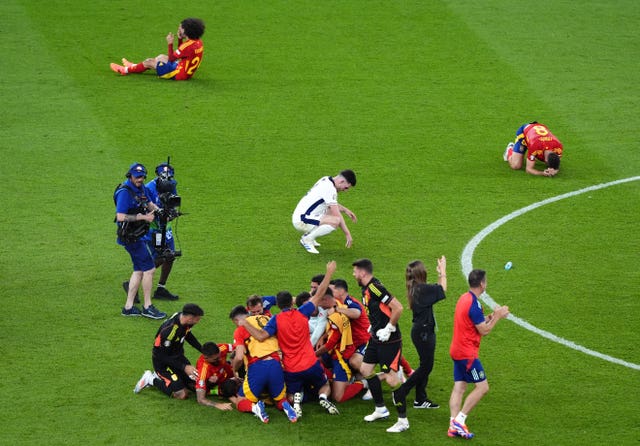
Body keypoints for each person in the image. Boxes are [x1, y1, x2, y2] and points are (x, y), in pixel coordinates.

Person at [240, 262, 340, 418]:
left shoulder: (275, 321)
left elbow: (260, 337)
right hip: (311, 362)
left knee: (288, 395)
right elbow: (319, 294)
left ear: (278, 305)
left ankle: (296, 400)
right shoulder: (303, 312)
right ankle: (323, 397)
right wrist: (329, 272)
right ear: (292, 302)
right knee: (325, 384)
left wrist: (245, 323)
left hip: (291, 368)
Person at [447, 269, 510, 439]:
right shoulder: (474, 304)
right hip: (467, 354)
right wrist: (498, 316)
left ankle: (452, 425)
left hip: (456, 350)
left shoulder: (464, 298)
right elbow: (484, 330)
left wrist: (491, 315)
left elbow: (476, 321)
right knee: (482, 387)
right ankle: (460, 420)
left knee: (459, 387)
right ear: (482, 284)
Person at [352, 258, 408, 433]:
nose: (353, 274)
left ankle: (403, 420)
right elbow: (378, 310)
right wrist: (374, 325)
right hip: (375, 338)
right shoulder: (365, 288)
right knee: (366, 370)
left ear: (363, 272)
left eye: (355, 271)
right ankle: (380, 409)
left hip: (389, 341)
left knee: (392, 380)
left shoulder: (375, 287)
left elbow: (398, 308)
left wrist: (389, 328)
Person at [392, 257, 447, 411]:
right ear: (421, 273)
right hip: (424, 333)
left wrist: (439, 275)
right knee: (426, 367)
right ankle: (402, 391)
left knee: (425, 365)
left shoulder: (417, 288)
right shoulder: (422, 289)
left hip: (421, 331)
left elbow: (436, 289)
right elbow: (442, 290)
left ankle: (420, 399)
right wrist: (443, 271)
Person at [229, 305, 298, 423]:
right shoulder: (267, 319)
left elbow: (239, 356)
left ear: (237, 320)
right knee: (280, 398)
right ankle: (288, 407)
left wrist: (234, 369)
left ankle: (255, 408)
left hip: (257, 366)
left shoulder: (240, 329)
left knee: (240, 401)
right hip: (276, 364)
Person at [114, 163, 166, 319]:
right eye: (137, 177)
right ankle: (147, 306)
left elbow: (148, 203)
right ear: (130, 176)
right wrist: (144, 217)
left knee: (138, 270)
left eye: (142, 176)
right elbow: (120, 217)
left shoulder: (141, 188)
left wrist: (160, 211)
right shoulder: (125, 192)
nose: (140, 179)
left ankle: (128, 307)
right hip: (131, 237)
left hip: (138, 235)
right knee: (149, 269)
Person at [133, 303, 209, 400]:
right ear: (190, 318)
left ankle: (177, 380)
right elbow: (162, 356)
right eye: (197, 319)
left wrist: (202, 350)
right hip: (163, 363)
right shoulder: (169, 332)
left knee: (197, 387)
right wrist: (184, 367)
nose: (198, 321)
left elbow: (187, 335)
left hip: (177, 357)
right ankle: (151, 379)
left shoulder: (184, 319)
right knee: (182, 394)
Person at [110, 18, 205, 80]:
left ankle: (125, 70)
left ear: (186, 31)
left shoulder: (187, 46)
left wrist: (170, 43)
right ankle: (134, 66)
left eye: (181, 28)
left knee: (149, 61)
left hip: (177, 74)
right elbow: (182, 54)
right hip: (184, 70)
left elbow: (173, 58)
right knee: (161, 57)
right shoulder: (198, 42)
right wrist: (180, 38)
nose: (179, 29)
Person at [314, 290, 364, 402]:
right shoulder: (337, 304)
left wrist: (312, 355)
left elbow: (329, 344)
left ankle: (363, 382)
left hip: (340, 356)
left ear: (325, 300)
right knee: (315, 364)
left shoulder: (336, 317)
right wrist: (323, 336)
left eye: (319, 301)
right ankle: (333, 379)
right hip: (334, 352)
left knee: (338, 397)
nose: (317, 304)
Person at [292, 170, 357, 254]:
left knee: (330, 211)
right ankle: (307, 239)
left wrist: (345, 210)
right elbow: (337, 215)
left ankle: (308, 236)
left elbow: (332, 205)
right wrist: (347, 234)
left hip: (302, 215)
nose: (345, 190)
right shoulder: (330, 189)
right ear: (341, 181)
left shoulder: (326, 179)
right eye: (346, 187)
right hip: (302, 220)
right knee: (335, 221)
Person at [145, 162, 181, 301]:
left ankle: (161, 288)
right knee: (160, 256)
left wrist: (172, 213)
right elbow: (144, 208)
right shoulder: (148, 188)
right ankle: (133, 283)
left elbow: (174, 204)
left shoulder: (171, 185)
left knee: (170, 256)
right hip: (153, 228)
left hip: (167, 227)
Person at [194, 342, 235, 410]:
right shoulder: (203, 371)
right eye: (215, 359)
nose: (220, 359)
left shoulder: (222, 348)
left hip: (228, 372)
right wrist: (218, 405)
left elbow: (238, 348)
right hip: (220, 383)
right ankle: (218, 391)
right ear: (206, 358)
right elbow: (200, 399)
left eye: (220, 356)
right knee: (230, 388)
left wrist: (233, 359)